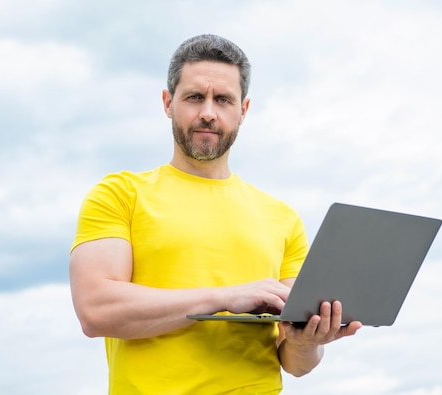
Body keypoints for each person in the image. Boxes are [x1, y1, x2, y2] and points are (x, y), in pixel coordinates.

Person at [69, 34, 362, 394]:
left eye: (223, 99)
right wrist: (225, 297)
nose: (208, 112)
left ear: (244, 110)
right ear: (167, 102)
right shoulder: (119, 194)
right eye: (194, 97)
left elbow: (296, 364)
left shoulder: (282, 217)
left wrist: (307, 341)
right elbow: (95, 310)